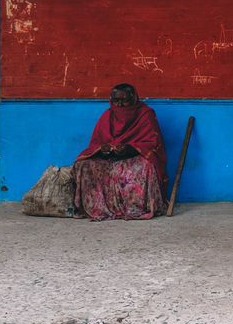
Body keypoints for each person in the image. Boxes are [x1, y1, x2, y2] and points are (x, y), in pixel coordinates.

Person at [72, 83, 168, 221]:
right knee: (83, 165)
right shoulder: (107, 115)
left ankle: (138, 207)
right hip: (109, 159)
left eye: (124, 100)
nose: (120, 104)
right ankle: (96, 207)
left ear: (134, 98)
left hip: (134, 157)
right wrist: (103, 149)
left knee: (147, 165)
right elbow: (95, 143)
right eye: (116, 101)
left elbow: (153, 144)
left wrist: (130, 148)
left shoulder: (145, 114)